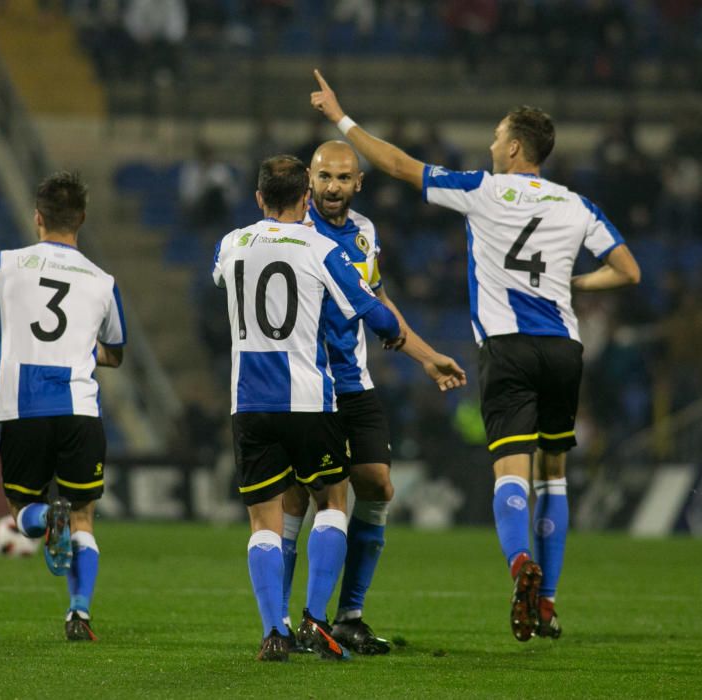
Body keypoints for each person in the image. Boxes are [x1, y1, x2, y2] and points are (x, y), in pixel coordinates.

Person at [309, 70, 641, 641]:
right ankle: (549, 603)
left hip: (508, 349)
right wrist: (573, 283)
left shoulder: (483, 189)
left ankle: (519, 563)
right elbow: (629, 270)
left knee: (511, 473)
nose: (490, 145)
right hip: (564, 347)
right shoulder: (577, 205)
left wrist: (340, 118)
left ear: (514, 147)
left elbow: (394, 164)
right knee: (555, 477)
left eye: (496, 137)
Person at [212, 154, 404, 662]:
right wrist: (393, 330)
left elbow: (222, 280)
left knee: (263, 523)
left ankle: (273, 631)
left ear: (258, 198)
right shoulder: (321, 247)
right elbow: (371, 309)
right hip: (309, 400)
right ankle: (318, 619)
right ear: (305, 198)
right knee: (333, 505)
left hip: (248, 402)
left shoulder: (231, 243)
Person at [280, 141, 467, 655]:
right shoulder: (296, 233)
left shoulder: (365, 232)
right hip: (307, 383)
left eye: (343, 178)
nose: (333, 187)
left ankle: (348, 616)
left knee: (378, 486)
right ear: (309, 182)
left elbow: (376, 298)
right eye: (324, 178)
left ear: (359, 182)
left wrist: (426, 356)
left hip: (354, 381)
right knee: (301, 497)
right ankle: (281, 624)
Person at [0, 171, 126, 642]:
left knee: (21, 509)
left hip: (24, 409)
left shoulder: (8, 264)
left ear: (38, 218)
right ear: (81, 218)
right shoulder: (103, 281)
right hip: (79, 410)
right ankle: (79, 612)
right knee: (84, 516)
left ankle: (41, 519)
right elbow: (114, 354)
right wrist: (81, 348)